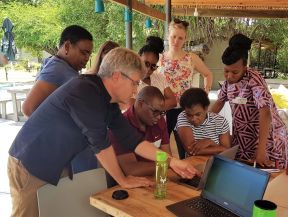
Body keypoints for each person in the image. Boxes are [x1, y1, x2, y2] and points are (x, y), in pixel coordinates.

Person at [7, 48, 198, 217]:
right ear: (117, 76)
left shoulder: (108, 101)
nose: (135, 90)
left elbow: (134, 141)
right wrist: (122, 179)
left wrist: (171, 161)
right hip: (30, 163)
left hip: (56, 162)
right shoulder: (84, 91)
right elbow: (100, 144)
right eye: (134, 83)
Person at [210, 33, 288, 168]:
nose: (229, 76)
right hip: (243, 139)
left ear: (245, 67)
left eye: (235, 72)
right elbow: (218, 103)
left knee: (268, 180)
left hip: (267, 140)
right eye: (226, 71)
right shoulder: (228, 82)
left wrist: (261, 150)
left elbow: (265, 112)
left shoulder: (254, 78)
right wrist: (203, 122)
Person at [22, 25, 93, 117]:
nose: (87, 58)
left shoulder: (60, 65)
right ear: (67, 46)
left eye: (89, 54)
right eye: (83, 53)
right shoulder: (57, 69)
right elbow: (28, 109)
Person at [158, 18, 213, 135]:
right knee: (161, 145)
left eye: (180, 38)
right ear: (168, 36)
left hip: (185, 109)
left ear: (185, 39)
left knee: (186, 146)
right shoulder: (160, 59)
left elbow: (208, 74)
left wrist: (205, 93)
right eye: (173, 36)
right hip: (164, 109)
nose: (176, 41)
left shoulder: (191, 58)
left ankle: (186, 155)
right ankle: (164, 155)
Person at [110, 86, 170, 176]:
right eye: (155, 111)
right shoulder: (120, 126)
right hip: (131, 184)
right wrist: (166, 164)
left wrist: (168, 163)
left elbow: (166, 155)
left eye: (162, 113)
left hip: (157, 176)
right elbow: (131, 170)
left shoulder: (160, 122)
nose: (158, 117)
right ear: (141, 104)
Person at [176, 88, 231, 157]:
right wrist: (217, 148)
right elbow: (191, 151)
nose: (193, 119)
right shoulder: (183, 117)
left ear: (206, 108)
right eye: (189, 115)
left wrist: (210, 142)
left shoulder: (220, 121)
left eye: (198, 114)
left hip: (217, 162)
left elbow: (227, 150)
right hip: (194, 163)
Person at [137, 36, 177, 111]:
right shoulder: (131, 81)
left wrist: (150, 108)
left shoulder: (159, 77)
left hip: (162, 122)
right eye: (146, 63)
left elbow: (173, 102)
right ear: (138, 58)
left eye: (153, 66)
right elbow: (134, 107)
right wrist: (160, 106)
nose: (149, 69)